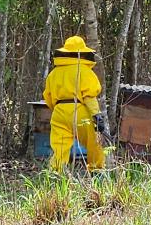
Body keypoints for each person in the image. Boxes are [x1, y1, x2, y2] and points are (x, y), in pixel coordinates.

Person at [42, 36, 106, 171]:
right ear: (82, 53)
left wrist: (61, 109)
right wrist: (96, 115)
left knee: (59, 149)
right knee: (95, 141)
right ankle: (96, 172)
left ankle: (55, 176)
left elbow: (48, 98)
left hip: (58, 112)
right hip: (80, 111)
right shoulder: (84, 71)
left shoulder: (53, 74)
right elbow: (89, 96)